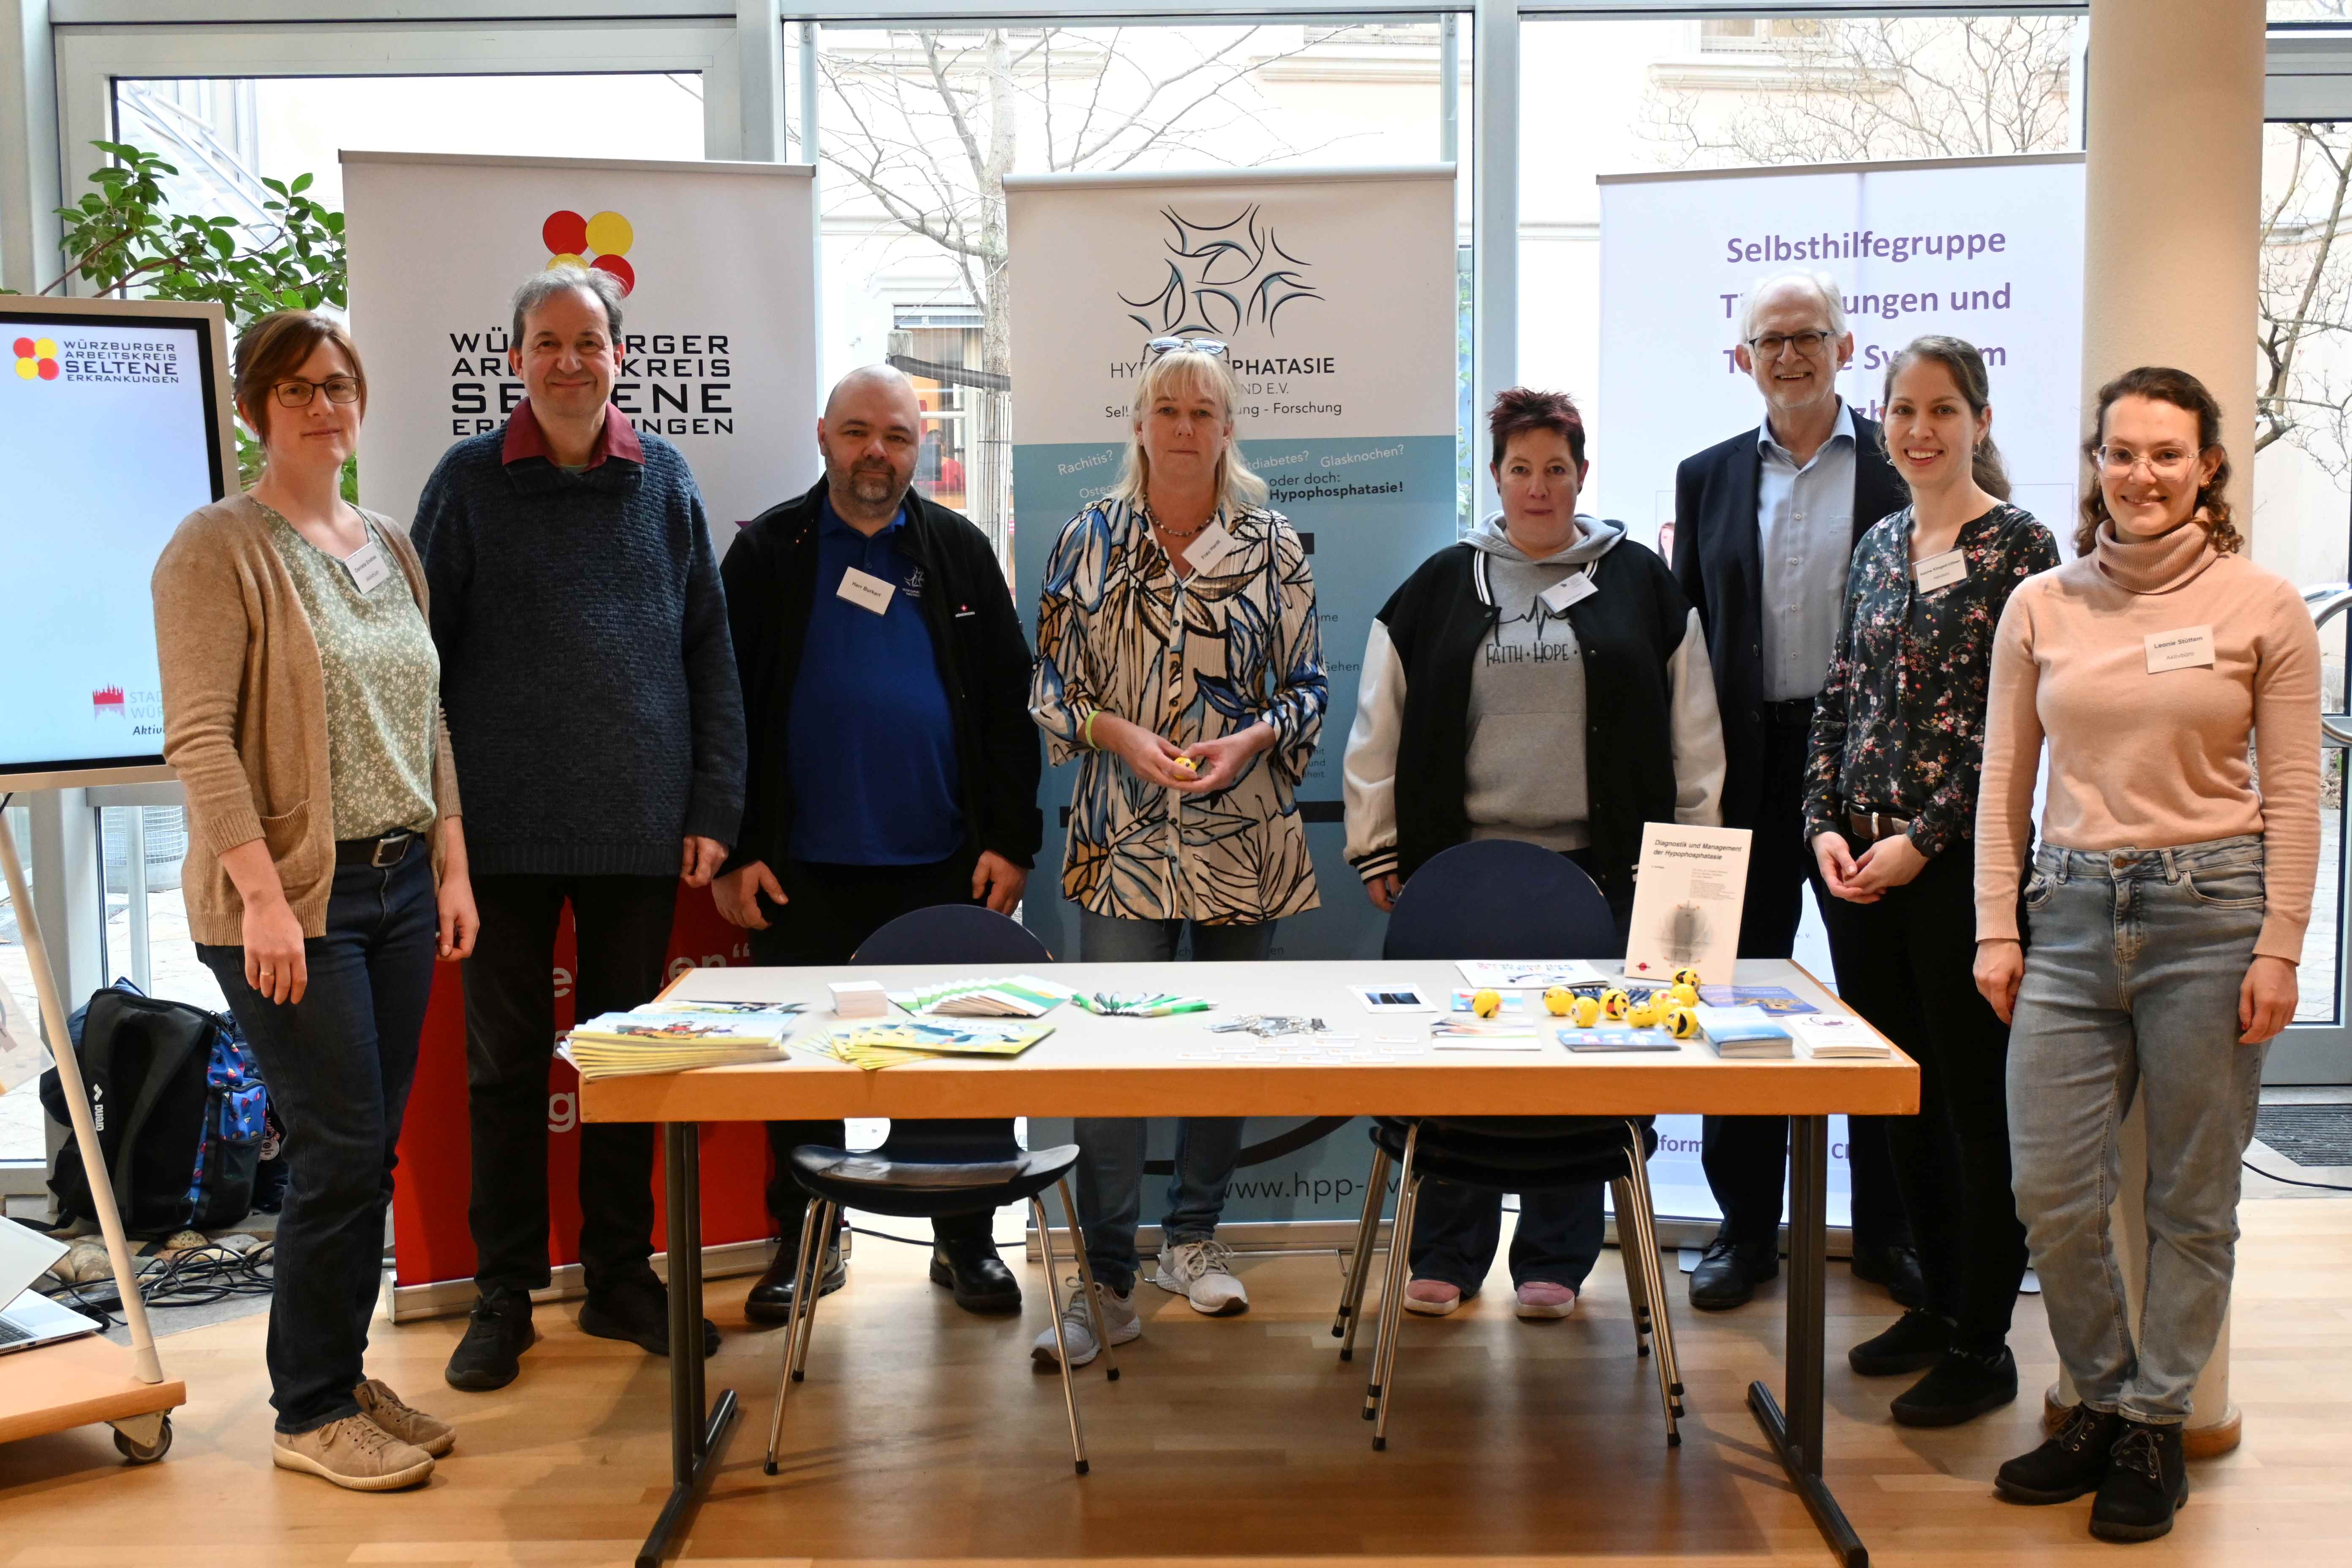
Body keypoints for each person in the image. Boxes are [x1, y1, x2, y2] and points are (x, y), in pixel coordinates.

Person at [1976, 367, 2319, 1543]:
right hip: (2067, 914)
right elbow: (2002, 787)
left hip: (2212, 914)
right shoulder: (2041, 605)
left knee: (2191, 1193)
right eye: (2121, 453)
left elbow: (2294, 793)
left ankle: (2154, 1428)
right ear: (2097, 464)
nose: (2142, 474)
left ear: (2209, 467)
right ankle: (2105, 1398)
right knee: (2056, 1192)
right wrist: (1996, 923)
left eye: (2167, 454)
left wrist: (2280, 945)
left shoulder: (2262, 607)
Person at [155, 310, 477, 1490]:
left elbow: (427, 714)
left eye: (338, 384)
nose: (322, 405)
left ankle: (337, 1373)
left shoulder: (388, 544)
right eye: (295, 389)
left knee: (366, 1149)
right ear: (254, 409)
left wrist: (452, 862)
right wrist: (265, 901)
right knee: (341, 1149)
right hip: (290, 899)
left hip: (398, 882)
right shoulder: (216, 548)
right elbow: (198, 737)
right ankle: (308, 1413)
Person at [413, 264, 746, 1392]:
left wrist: (713, 805)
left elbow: (711, 648)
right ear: (516, 359)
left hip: (638, 830)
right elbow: (419, 671)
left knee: (620, 1067)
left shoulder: (666, 482)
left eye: (588, 343)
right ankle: (505, 1297)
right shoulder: (465, 484)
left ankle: (618, 1279)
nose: (568, 361)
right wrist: (440, 829)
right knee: (504, 1072)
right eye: (547, 343)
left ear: (618, 357)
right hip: (498, 841)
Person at [1343, 386, 1725, 1318]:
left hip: (1600, 876)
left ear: (1583, 474)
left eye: (1557, 467)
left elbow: (1696, 734)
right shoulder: (1440, 584)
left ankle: (1556, 1255)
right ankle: (1446, 1249)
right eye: (1522, 468)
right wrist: (1376, 840)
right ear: (1498, 476)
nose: (1540, 486)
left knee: (1581, 1067)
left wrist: (1695, 870)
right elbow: (1377, 720)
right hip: (1462, 875)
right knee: (1456, 1065)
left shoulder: (1641, 580)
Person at [712, 365, 1042, 1321]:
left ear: (919, 447)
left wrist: (1011, 842)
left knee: (954, 1061)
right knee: (802, 1063)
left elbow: (1011, 712)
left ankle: (966, 1239)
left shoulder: (959, 549)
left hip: (943, 858)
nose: (876, 453)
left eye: (896, 436)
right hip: (799, 861)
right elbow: (724, 707)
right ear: (823, 435)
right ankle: (808, 1240)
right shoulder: (770, 551)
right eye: (858, 432)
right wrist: (736, 846)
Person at [1027, 338, 1326, 1366]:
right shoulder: (1089, 538)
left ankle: (1193, 1240)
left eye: (1205, 411)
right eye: (1169, 409)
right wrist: (1118, 734)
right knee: (1112, 1058)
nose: (1186, 427)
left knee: (1225, 1045)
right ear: (1140, 423)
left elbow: (1310, 689)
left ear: (1228, 425)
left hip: (1244, 833)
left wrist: (1250, 737)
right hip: (1123, 836)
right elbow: (1052, 689)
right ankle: (1105, 1274)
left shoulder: (1274, 543)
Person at [1803, 338, 2058, 1427]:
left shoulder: (2022, 547)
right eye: (1903, 409)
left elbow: (2015, 734)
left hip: (1956, 870)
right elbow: (1841, 692)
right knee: (1897, 1100)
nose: (1920, 429)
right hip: (1857, 868)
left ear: (1980, 418)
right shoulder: (1876, 543)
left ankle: (1983, 1338)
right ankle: (1933, 1299)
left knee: (1969, 1105)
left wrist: (1922, 837)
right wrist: (1821, 818)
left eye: (1942, 409)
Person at [1669, 270, 1918, 1311]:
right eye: (1768, 341)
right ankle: (1743, 1230)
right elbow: (1687, 638)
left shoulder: (1903, 468)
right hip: (1743, 769)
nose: (1789, 355)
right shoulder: (1706, 476)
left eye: (1808, 335)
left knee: (1882, 995)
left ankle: (1892, 1232)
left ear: (1845, 347)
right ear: (1742, 360)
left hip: (1865, 772)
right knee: (1731, 997)